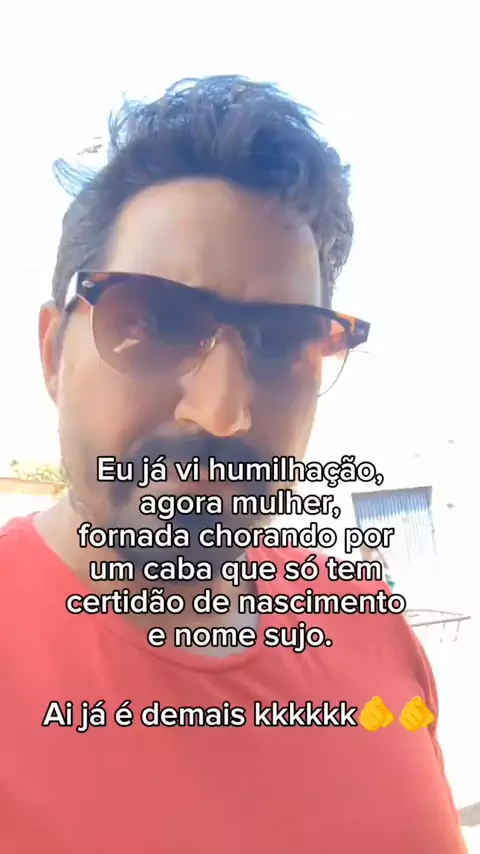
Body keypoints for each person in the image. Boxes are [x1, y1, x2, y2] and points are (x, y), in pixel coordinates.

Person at [0, 76, 466, 853]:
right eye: (155, 322)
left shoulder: (368, 622)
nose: (221, 414)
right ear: (53, 353)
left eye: (282, 342)